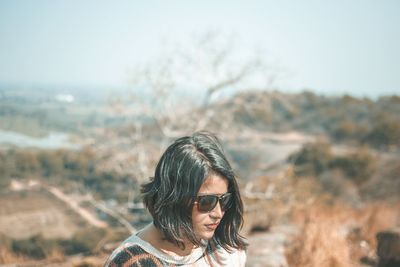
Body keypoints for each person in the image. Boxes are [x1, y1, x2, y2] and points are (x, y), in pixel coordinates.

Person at [105, 131, 247, 266]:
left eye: (225, 200)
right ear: (176, 198)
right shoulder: (132, 261)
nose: (218, 213)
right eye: (207, 202)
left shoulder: (226, 248)